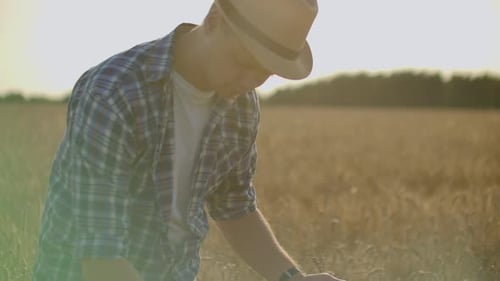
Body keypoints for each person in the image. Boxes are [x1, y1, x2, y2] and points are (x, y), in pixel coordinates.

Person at [32, 0, 345, 280]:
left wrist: (293, 278)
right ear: (214, 20)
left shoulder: (242, 106)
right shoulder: (113, 93)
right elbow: (101, 257)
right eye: (244, 61)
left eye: (265, 72)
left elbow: (235, 207)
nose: (249, 81)